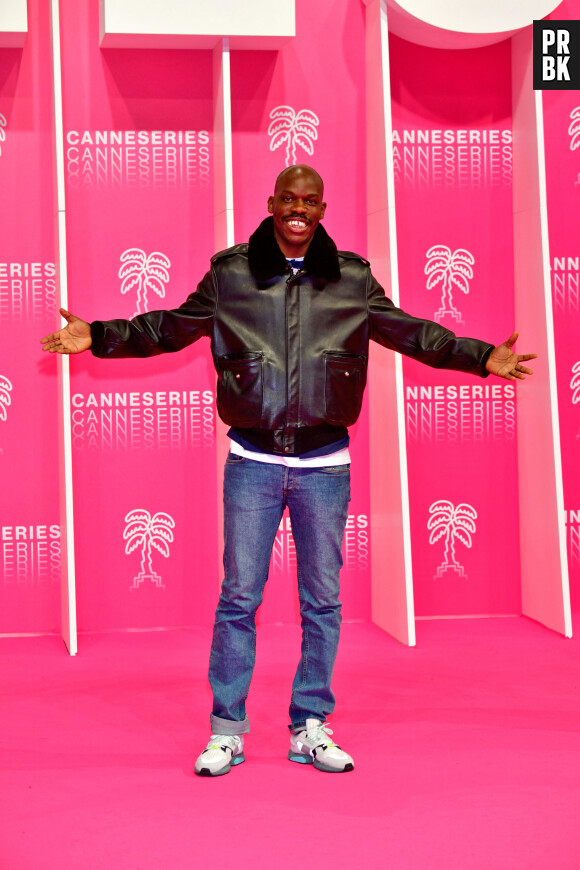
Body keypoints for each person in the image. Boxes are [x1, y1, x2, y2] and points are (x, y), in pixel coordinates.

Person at [42, 164, 536, 776]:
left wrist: (483, 356)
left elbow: (414, 334)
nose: (298, 209)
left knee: (323, 601)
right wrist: (98, 335)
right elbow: (167, 328)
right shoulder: (231, 275)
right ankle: (227, 731)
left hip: (325, 465)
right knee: (238, 598)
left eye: (310, 201)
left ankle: (310, 726)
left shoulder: (352, 278)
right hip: (252, 460)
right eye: (289, 198)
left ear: (322, 210)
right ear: (272, 203)